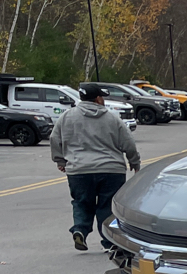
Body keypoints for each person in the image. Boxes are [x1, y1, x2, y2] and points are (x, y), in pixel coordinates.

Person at [50, 82, 140, 252]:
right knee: (107, 206)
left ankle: (80, 230)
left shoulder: (67, 117)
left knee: (82, 202)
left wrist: (60, 161)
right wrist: (134, 161)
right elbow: (128, 142)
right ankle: (109, 242)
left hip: (79, 170)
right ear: (98, 99)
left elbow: (55, 140)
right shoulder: (112, 118)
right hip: (111, 170)